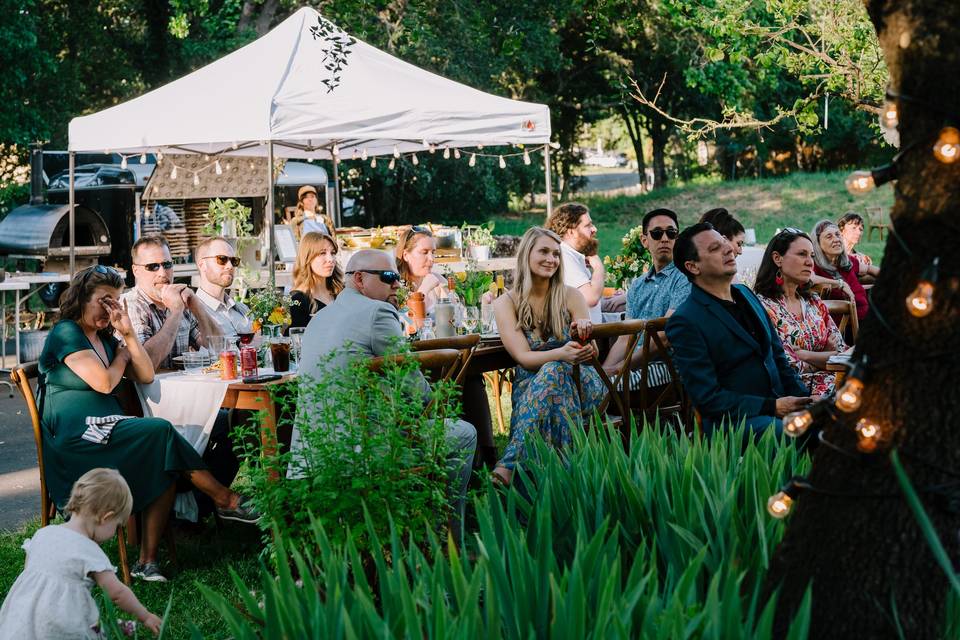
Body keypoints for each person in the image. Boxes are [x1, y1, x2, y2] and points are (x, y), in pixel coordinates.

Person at [40, 266, 257, 582]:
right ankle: (224, 498)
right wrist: (122, 357)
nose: (110, 309)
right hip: (78, 438)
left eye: (115, 301)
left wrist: (127, 333)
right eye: (103, 300)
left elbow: (146, 375)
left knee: (162, 455)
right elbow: (104, 382)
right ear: (81, 299)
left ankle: (148, 562)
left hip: (109, 429)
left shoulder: (104, 337)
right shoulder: (67, 333)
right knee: (160, 431)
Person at [293, 249, 476, 533]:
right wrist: (436, 395)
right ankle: (447, 534)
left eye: (397, 277)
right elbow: (417, 393)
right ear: (360, 279)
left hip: (312, 451)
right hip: (363, 448)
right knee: (464, 433)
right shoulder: (377, 312)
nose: (397, 284)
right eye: (389, 276)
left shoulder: (319, 318)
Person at [665, 223, 811, 435]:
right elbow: (707, 398)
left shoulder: (747, 295)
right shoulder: (686, 320)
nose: (728, 249)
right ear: (693, 267)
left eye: (725, 243)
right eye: (715, 248)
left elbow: (778, 358)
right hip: (734, 422)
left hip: (779, 410)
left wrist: (806, 400)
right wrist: (772, 406)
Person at [491, 227, 604, 486]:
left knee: (555, 369)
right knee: (554, 380)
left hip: (581, 384)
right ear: (526, 254)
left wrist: (584, 341)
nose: (551, 259)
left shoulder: (571, 295)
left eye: (556, 254)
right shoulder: (506, 303)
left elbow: (592, 353)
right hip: (531, 386)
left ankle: (509, 464)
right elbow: (523, 357)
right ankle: (563, 484)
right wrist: (561, 354)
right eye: (543, 251)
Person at [0, 469, 163, 638]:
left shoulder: (43, 533)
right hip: (59, 627)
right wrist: (145, 616)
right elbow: (117, 593)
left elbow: (29, 571)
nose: (114, 532)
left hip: (21, 619)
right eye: (117, 525)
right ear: (106, 517)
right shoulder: (90, 551)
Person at [753, 228, 847, 396]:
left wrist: (806, 355)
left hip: (836, 387)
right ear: (777, 258)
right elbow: (787, 366)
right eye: (802, 254)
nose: (810, 262)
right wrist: (824, 355)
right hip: (798, 397)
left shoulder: (814, 302)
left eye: (811, 255)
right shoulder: (764, 307)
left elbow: (840, 353)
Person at [603, 208, 690, 380]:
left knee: (600, 388)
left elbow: (664, 337)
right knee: (589, 382)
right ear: (644, 241)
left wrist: (619, 369)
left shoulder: (684, 278)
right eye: (657, 233)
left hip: (666, 369)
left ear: (677, 239)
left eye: (671, 233)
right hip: (632, 367)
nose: (665, 238)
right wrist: (605, 371)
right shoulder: (637, 285)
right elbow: (624, 338)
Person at [121, 235, 223, 370]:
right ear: (136, 271)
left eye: (167, 264)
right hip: (146, 391)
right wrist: (175, 312)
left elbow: (218, 349)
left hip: (183, 387)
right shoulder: (130, 305)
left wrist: (196, 305)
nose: (163, 273)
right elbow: (145, 364)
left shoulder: (180, 301)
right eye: (153, 267)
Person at [546, 202, 606, 323]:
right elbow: (591, 298)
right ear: (571, 232)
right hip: (580, 339)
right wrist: (599, 267)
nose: (594, 229)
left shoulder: (571, 255)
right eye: (588, 225)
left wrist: (612, 301)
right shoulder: (565, 257)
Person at [811, 219, 869, 321]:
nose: (836, 239)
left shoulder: (848, 262)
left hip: (868, 319)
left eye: (838, 235)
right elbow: (808, 278)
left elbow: (870, 269)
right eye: (829, 236)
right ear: (818, 243)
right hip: (845, 330)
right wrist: (839, 284)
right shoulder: (813, 265)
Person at [194, 236, 251, 336]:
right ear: (202, 265)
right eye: (222, 259)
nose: (230, 266)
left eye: (234, 261)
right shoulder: (192, 313)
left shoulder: (243, 309)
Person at [289, 231, 343, 329]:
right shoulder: (298, 300)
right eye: (322, 253)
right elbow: (296, 339)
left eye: (333, 253)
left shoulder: (341, 291)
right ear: (307, 257)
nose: (330, 259)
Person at [395, 226, 445, 311]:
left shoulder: (438, 280)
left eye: (433, 252)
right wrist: (424, 290)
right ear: (406, 255)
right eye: (424, 252)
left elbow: (457, 318)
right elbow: (406, 321)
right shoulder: (395, 288)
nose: (431, 259)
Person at [837, 212, 880, 277]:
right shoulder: (833, 256)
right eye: (854, 228)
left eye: (861, 229)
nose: (859, 233)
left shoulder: (863, 259)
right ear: (841, 230)